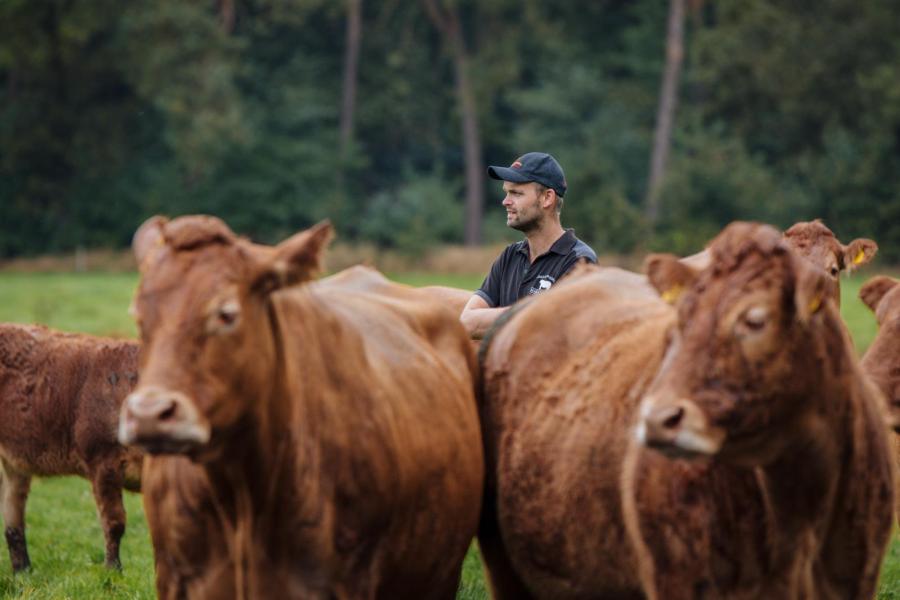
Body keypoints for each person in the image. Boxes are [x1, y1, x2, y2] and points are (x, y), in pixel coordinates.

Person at [460, 152, 597, 339]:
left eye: (516, 193)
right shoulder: (510, 255)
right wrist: (536, 311)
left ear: (547, 198)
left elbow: (554, 330)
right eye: (507, 192)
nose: (505, 201)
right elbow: (468, 322)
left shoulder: (580, 261)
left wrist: (536, 317)